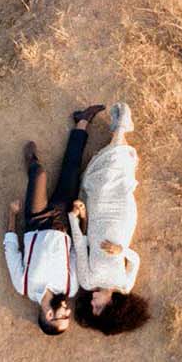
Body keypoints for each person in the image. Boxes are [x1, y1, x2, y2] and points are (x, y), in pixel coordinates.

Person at [3, 106, 101, 335]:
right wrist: (81, 218)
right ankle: (82, 121)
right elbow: (78, 251)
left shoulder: (23, 286)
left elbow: (11, 252)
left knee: (39, 174)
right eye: (68, 316)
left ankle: (31, 162)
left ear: (48, 315)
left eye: (62, 316)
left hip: (35, 221)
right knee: (72, 171)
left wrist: (12, 215)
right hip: (64, 222)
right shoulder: (71, 287)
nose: (67, 311)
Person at [70, 101, 151, 335]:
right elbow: (135, 260)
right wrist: (121, 250)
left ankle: (121, 133)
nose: (92, 303)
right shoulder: (125, 285)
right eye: (98, 308)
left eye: (91, 308)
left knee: (101, 179)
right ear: (112, 306)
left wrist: (75, 219)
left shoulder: (86, 282)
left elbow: (80, 244)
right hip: (122, 220)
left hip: (98, 216)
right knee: (119, 181)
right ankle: (121, 130)